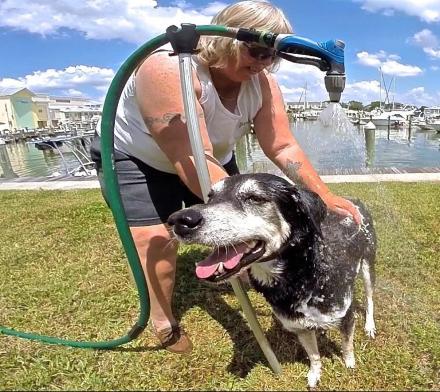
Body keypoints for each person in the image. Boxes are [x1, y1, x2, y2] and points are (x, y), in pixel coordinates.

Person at [91, 0, 361, 354]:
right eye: (257, 50)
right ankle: (163, 321)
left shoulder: (262, 84)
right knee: (155, 240)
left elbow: (282, 146)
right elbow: (189, 156)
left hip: (213, 159)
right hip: (138, 157)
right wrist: (237, 219)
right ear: (227, 37)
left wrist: (324, 196)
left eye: (272, 55)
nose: (264, 62)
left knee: (241, 227)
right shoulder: (167, 68)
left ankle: (238, 264)